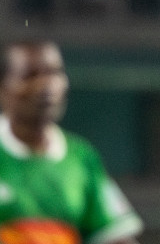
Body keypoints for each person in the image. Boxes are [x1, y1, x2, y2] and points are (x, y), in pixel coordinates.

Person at [0, 40, 141, 244]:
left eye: (54, 74)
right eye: (30, 75)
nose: (45, 86)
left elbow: (115, 235)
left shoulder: (81, 158)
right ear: (3, 88)